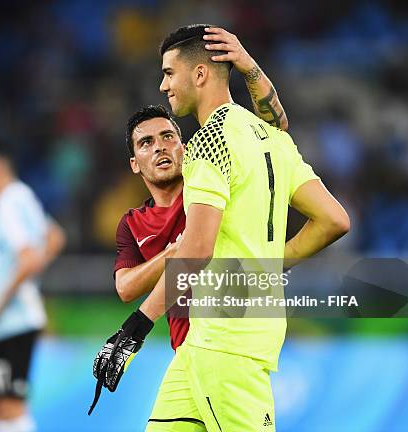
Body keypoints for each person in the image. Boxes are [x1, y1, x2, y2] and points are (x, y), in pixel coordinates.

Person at [93, 25, 350, 431]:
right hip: (204, 343)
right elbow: (334, 220)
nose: (163, 86)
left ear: (199, 75)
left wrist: (134, 330)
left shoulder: (207, 143)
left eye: (169, 73)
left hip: (228, 341)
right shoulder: (274, 138)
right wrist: (270, 261)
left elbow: (195, 251)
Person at [115, 27, 290, 352]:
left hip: (227, 336)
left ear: (184, 147)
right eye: (147, 143)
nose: (160, 148)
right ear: (134, 163)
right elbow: (124, 288)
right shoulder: (132, 223)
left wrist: (249, 69)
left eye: (168, 137)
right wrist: (172, 252)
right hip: (186, 349)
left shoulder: (209, 175)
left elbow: (273, 131)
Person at [0, 139, 65, 432]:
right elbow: (55, 237)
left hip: (11, 323)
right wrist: (28, 283)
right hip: (14, 323)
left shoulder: (9, 202)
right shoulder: (23, 196)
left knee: (6, 408)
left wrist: (0, 302)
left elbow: (29, 257)